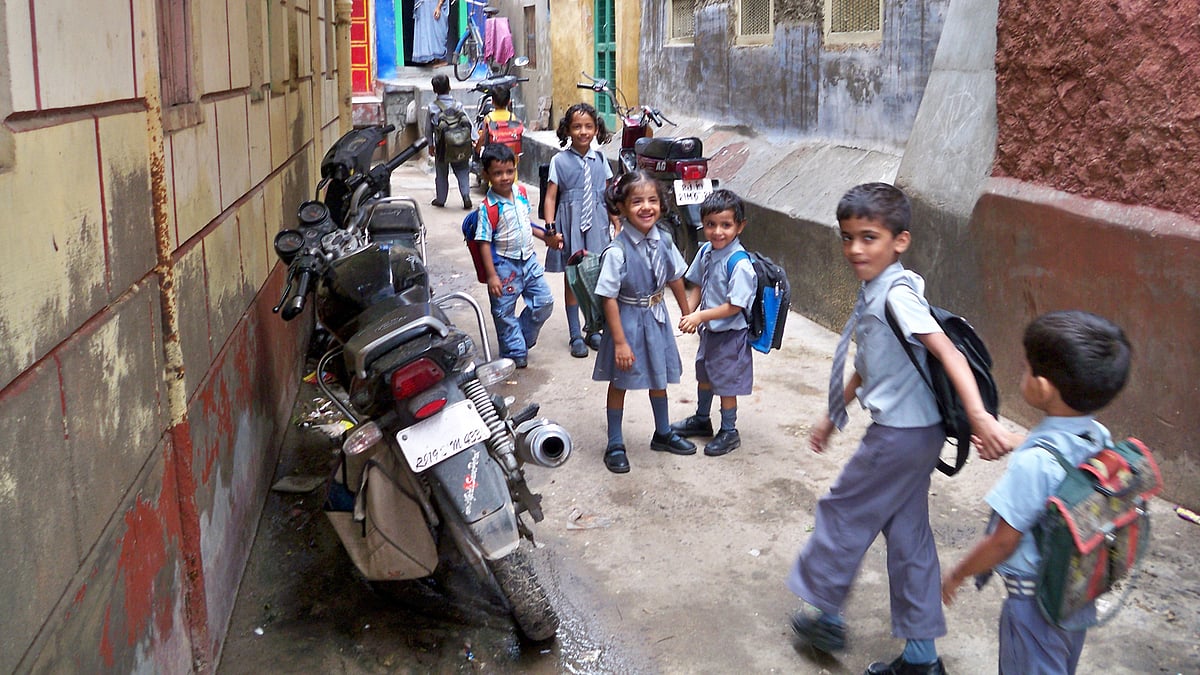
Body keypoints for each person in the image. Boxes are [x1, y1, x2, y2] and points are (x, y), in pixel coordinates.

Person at [787, 182, 1011, 675]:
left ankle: (825, 615)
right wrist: (833, 413)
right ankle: (921, 657)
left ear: (900, 241)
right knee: (909, 538)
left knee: (842, 512)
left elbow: (948, 353)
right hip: (917, 434)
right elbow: (870, 364)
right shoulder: (882, 289)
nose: (855, 249)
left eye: (869, 237)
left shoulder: (898, 295)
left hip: (900, 437)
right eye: (848, 237)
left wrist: (979, 416)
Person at [941, 310, 1131, 675]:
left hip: (1034, 605)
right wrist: (1015, 440)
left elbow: (1002, 542)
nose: (1022, 372)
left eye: (1027, 367)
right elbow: (1064, 455)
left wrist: (958, 573)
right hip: (1074, 591)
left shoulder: (1033, 466)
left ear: (1043, 388)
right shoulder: (1099, 435)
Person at [592, 170, 694, 474]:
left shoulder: (664, 240)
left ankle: (662, 432)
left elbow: (675, 276)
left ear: (661, 204)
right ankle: (615, 442)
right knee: (620, 382)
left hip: (657, 319)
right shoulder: (617, 251)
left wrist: (686, 312)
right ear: (621, 207)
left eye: (652, 200)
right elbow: (608, 297)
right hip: (627, 322)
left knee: (658, 377)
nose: (646, 207)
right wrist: (620, 342)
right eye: (637, 201)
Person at [669, 189, 757, 457]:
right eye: (710, 224)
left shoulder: (739, 263)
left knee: (726, 383)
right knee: (705, 374)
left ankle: (729, 430)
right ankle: (702, 418)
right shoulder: (707, 251)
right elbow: (698, 283)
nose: (717, 232)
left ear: (740, 226)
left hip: (731, 335)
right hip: (710, 332)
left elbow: (735, 306)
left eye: (726, 225)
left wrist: (699, 316)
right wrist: (689, 312)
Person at [473, 143, 562, 369]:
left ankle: (520, 337)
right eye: (498, 173)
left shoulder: (521, 193)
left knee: (544, 302)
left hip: (529, 261)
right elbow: (483, 242)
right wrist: (492, 275)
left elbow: (526, 224)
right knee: (504, 312)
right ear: (486, 175)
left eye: (509, 171)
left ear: (515, 169)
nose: (505, 177)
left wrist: (547, 238)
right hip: (504, 266)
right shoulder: (488, 207)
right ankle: (514, 350)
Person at [542, 102, 619, 358]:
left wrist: (616, 221)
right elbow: (551, 196)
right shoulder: (559, 161)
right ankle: (575, 333)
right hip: (571, 223)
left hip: (597, 223)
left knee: (595, 276)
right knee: (573, 278)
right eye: (577, 127)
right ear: (567, 130)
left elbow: (607, 194)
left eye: (588, 126)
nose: (583, 132)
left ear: (596, 129)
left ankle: (593, 328)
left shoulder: (601, 160)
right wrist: (550, 227)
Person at [426, 73, 472, 210]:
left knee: (441, 173)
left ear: (434, 90)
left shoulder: (432, 107)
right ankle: (466, 195)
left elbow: (428, 129)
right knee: (462, 170)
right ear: (449, 87)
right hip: (461, 144)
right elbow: (468, 123)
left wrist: (430, 145)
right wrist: (473, 140)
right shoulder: (458, 105)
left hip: (442, 146)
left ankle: (441, 199)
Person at [412, 0, 450, 67]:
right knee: (428, 31)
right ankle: (434, 60)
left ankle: (440, 59)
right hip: (426, 7)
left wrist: (438, 6)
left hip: (437, 5)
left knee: (438, 30)